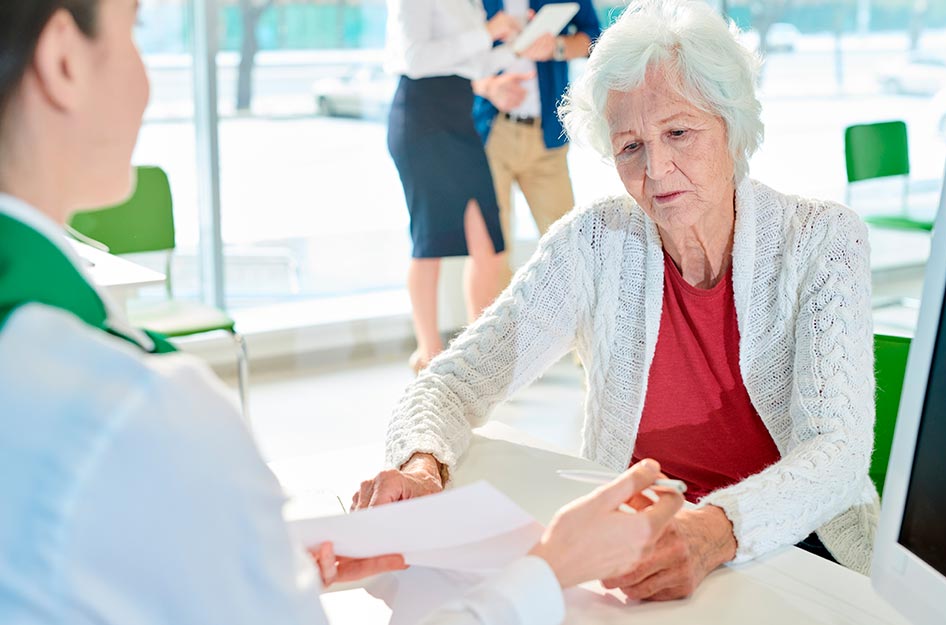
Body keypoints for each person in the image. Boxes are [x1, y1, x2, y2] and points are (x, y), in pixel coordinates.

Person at [0, 2, 683, 624]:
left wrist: (253, 564)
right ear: (63, 60)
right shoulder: (137, 407)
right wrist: (549, 570)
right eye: (135, 31)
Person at [357, 0, 881, 602]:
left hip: (798, 555)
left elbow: (837, 453)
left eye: (679, 132)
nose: (656, 168)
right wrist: (423, 465)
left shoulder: (822, 239)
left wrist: (715, 531)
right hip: (637, 559)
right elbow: (451, 384)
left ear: (732, 127)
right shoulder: (594, 242)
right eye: (630, 146)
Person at [384, 0, 519, 373]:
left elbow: (473, 64)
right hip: (421, 120)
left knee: (489, 245)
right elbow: (415, 58)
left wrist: (518, 47)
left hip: (461, 120)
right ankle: (428, 356)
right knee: (429, 242)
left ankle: (475, 354)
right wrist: (486, 32)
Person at [471, 0, 601, 288]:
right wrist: (488, 87)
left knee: (567, 248)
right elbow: (449, 60)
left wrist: (557, 47)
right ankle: (496, 321)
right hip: (491, 135)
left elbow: (595, 37)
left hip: (547, 137)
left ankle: (568, 319)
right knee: (490, 252)